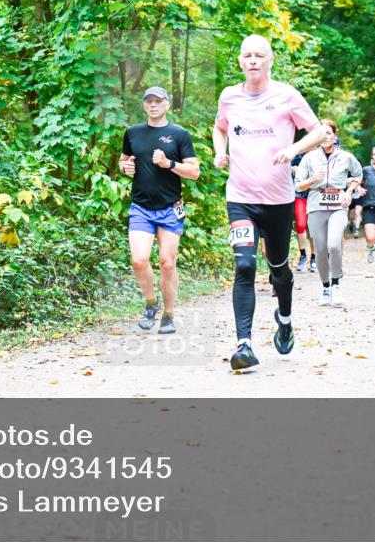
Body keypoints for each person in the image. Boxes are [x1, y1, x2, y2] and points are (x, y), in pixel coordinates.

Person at [213, 34, 329, 371]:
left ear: (270, 60)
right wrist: (221, 152)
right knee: (245, 266)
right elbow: (219, 128)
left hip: (278, 201)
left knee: (278, 268)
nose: (252, 60)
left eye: (259, 55)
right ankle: (244, 344)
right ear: (239, 61)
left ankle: (285, 317)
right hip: (240, 199)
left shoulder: (286, 95)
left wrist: (293, 150)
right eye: (247, 55)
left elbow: (319, 131)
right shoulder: (229, 97)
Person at [120, 86, 200, 334]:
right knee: (138, 260)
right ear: (144, 105)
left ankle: (168, 315)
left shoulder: (179, 134)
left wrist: (169, 164)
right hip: (141, 207)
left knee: (167, 263)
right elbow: (123, 160)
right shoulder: (133, 133)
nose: (153, 105)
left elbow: (194, 172)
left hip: (169, 208)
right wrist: (125, 168)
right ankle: (150, 304)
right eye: (149, 101)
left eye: (158, 101)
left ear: (167, 105)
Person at [294, 120, 362, 307]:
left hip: (338, 204)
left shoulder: (346, 157)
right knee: (321, 249)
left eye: (329, 133)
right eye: (322, 134)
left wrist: (349, 192)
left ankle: (336, 284)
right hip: (316, 204)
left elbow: (358, 175)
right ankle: (325, 287)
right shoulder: (309, 158)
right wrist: (311, 181)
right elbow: (298, 184)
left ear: (335, 135)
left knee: (334, 245)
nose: (326, 137)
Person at [291, 152, 317, 273]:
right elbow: (286, 168)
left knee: (314, 228)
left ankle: (314, 257)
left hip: (315, 195)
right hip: (300, 195)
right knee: (300, 225)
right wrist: (292, 168)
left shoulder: (321, 155)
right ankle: (303, 255)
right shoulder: (298, 154)